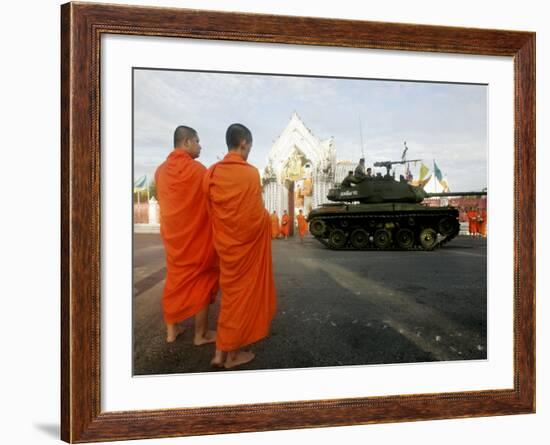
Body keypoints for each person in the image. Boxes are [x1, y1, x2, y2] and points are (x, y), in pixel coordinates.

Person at [203, 123, 277, 369]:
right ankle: (233, 356)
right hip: (246, 249)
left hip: (225, 247)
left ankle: (218, 353)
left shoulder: (211, 173)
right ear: (244, 143)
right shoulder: (250, 173)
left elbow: (210, 211)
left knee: (230, 298)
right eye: (250, 147)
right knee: (240, 301)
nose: (249, 153)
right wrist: (268, 220)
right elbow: (254, 217)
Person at [155, 125, 219, 345]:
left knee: (174, 281)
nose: (200, 146)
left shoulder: (160, 171)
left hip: (174, 241)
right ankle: (200, 335)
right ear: (187, 143)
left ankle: (171, 332)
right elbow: (214, 201)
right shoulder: (198, 171)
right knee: (202, 281)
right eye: (198, 141)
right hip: (197, 240)